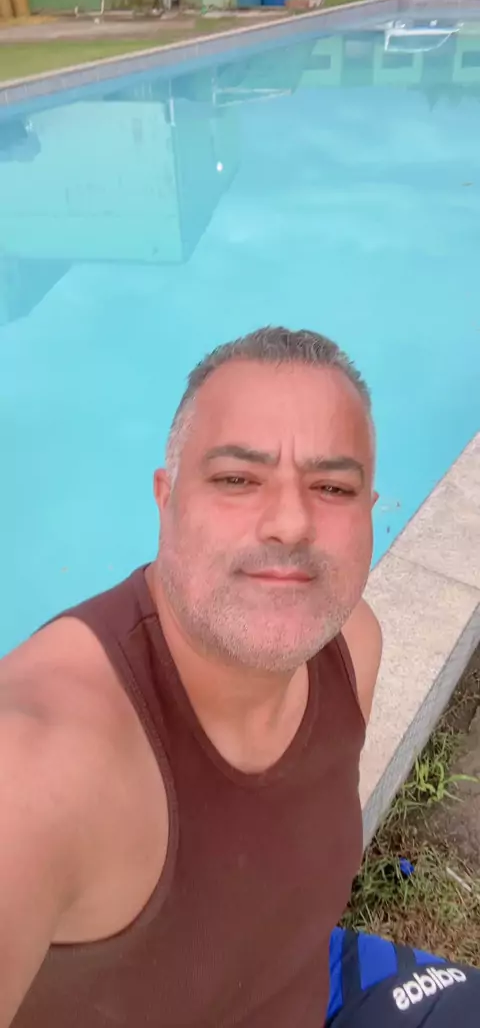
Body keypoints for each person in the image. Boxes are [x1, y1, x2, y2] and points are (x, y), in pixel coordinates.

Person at [1, 326, 478, 1027]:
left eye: (332, 486)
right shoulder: (38, 764)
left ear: (370, 514)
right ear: (166, 498)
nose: (290, 521)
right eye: (236, 479)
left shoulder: (351, 645)